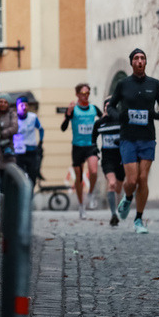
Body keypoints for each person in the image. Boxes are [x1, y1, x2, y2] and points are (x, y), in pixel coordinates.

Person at [108, 48, 159, 233]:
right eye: (136, 58)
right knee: (132, 180)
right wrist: (119, 117)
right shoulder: (123, 84)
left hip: (148, 138)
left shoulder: (155, 84)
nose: (140, 61)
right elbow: (110, 106)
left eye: (142, 58)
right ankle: (127, 198)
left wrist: (158, 115)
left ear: (146, 62)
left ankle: (139, 219)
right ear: (132, 62)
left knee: (143, 178)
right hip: (128, 138)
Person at [61, 83, 102, 218]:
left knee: (94, 171)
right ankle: (81, 206)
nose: (86, 96)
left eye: (88, 93)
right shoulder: (74, 109)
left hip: (91, 145)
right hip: (77, 146)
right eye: (83, 93)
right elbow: (63, 127)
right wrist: (67, 114)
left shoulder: (94, 109)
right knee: (78, 177)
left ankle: (90, 194)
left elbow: (104, 119)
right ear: (77, 94)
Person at [92, 98, 125, 227]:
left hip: (122, 157)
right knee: (111, 183)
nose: (108, 109)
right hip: (108, 158)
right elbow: (93, 137)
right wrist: (95, 149)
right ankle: (113, 214)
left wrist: (121, 140)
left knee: (118, 187)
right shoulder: (100, 123)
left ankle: (119, 207)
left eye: (110, 106)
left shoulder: (121, 120)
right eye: (105, 106)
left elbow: (128, 134)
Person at [13, 95, 44, 188]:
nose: (24, 107)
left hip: (31, 150)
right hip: (18, 151)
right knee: (20, 175)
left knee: (32, 176)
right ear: (17, 106)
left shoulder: (33, 117)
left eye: (26, 105)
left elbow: (41, 129)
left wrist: (40, 142)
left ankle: (29, 196)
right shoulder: (14, 118)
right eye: (22, 105)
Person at [0, 92, 19, 193]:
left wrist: (2, 133)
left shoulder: (12, 114)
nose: (3, 104)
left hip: (7, 152)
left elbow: (15, 128)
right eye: (0, 101)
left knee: (8, 182)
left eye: (5, 102)